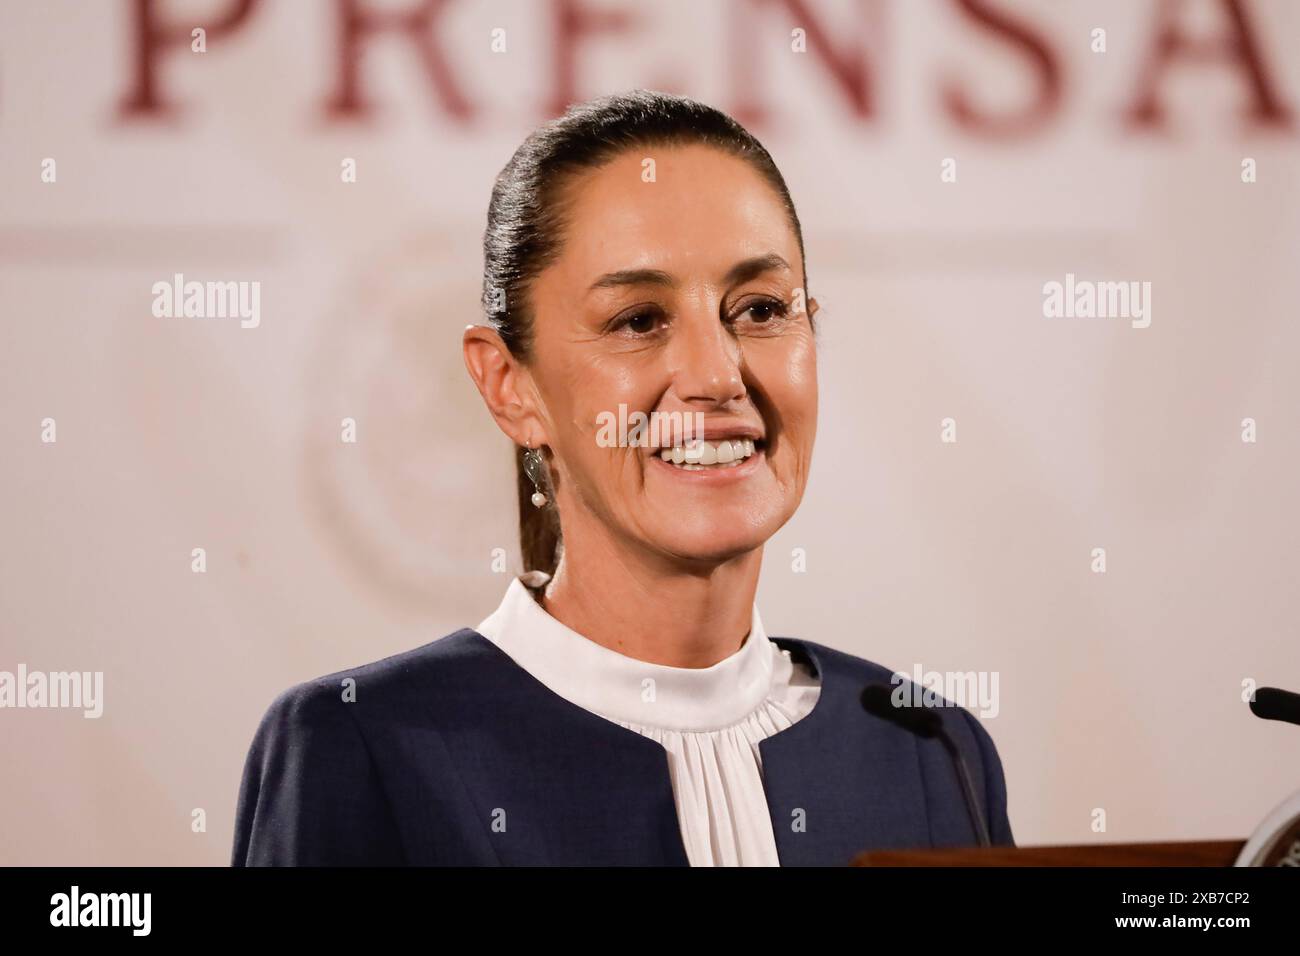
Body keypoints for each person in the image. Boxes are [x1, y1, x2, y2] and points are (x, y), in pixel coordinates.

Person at [231, 89, 1014, 866]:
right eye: (638, 320)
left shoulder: (929, 749)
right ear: (510, 386)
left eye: (762, 309)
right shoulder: (360, 746)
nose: (716, 375)